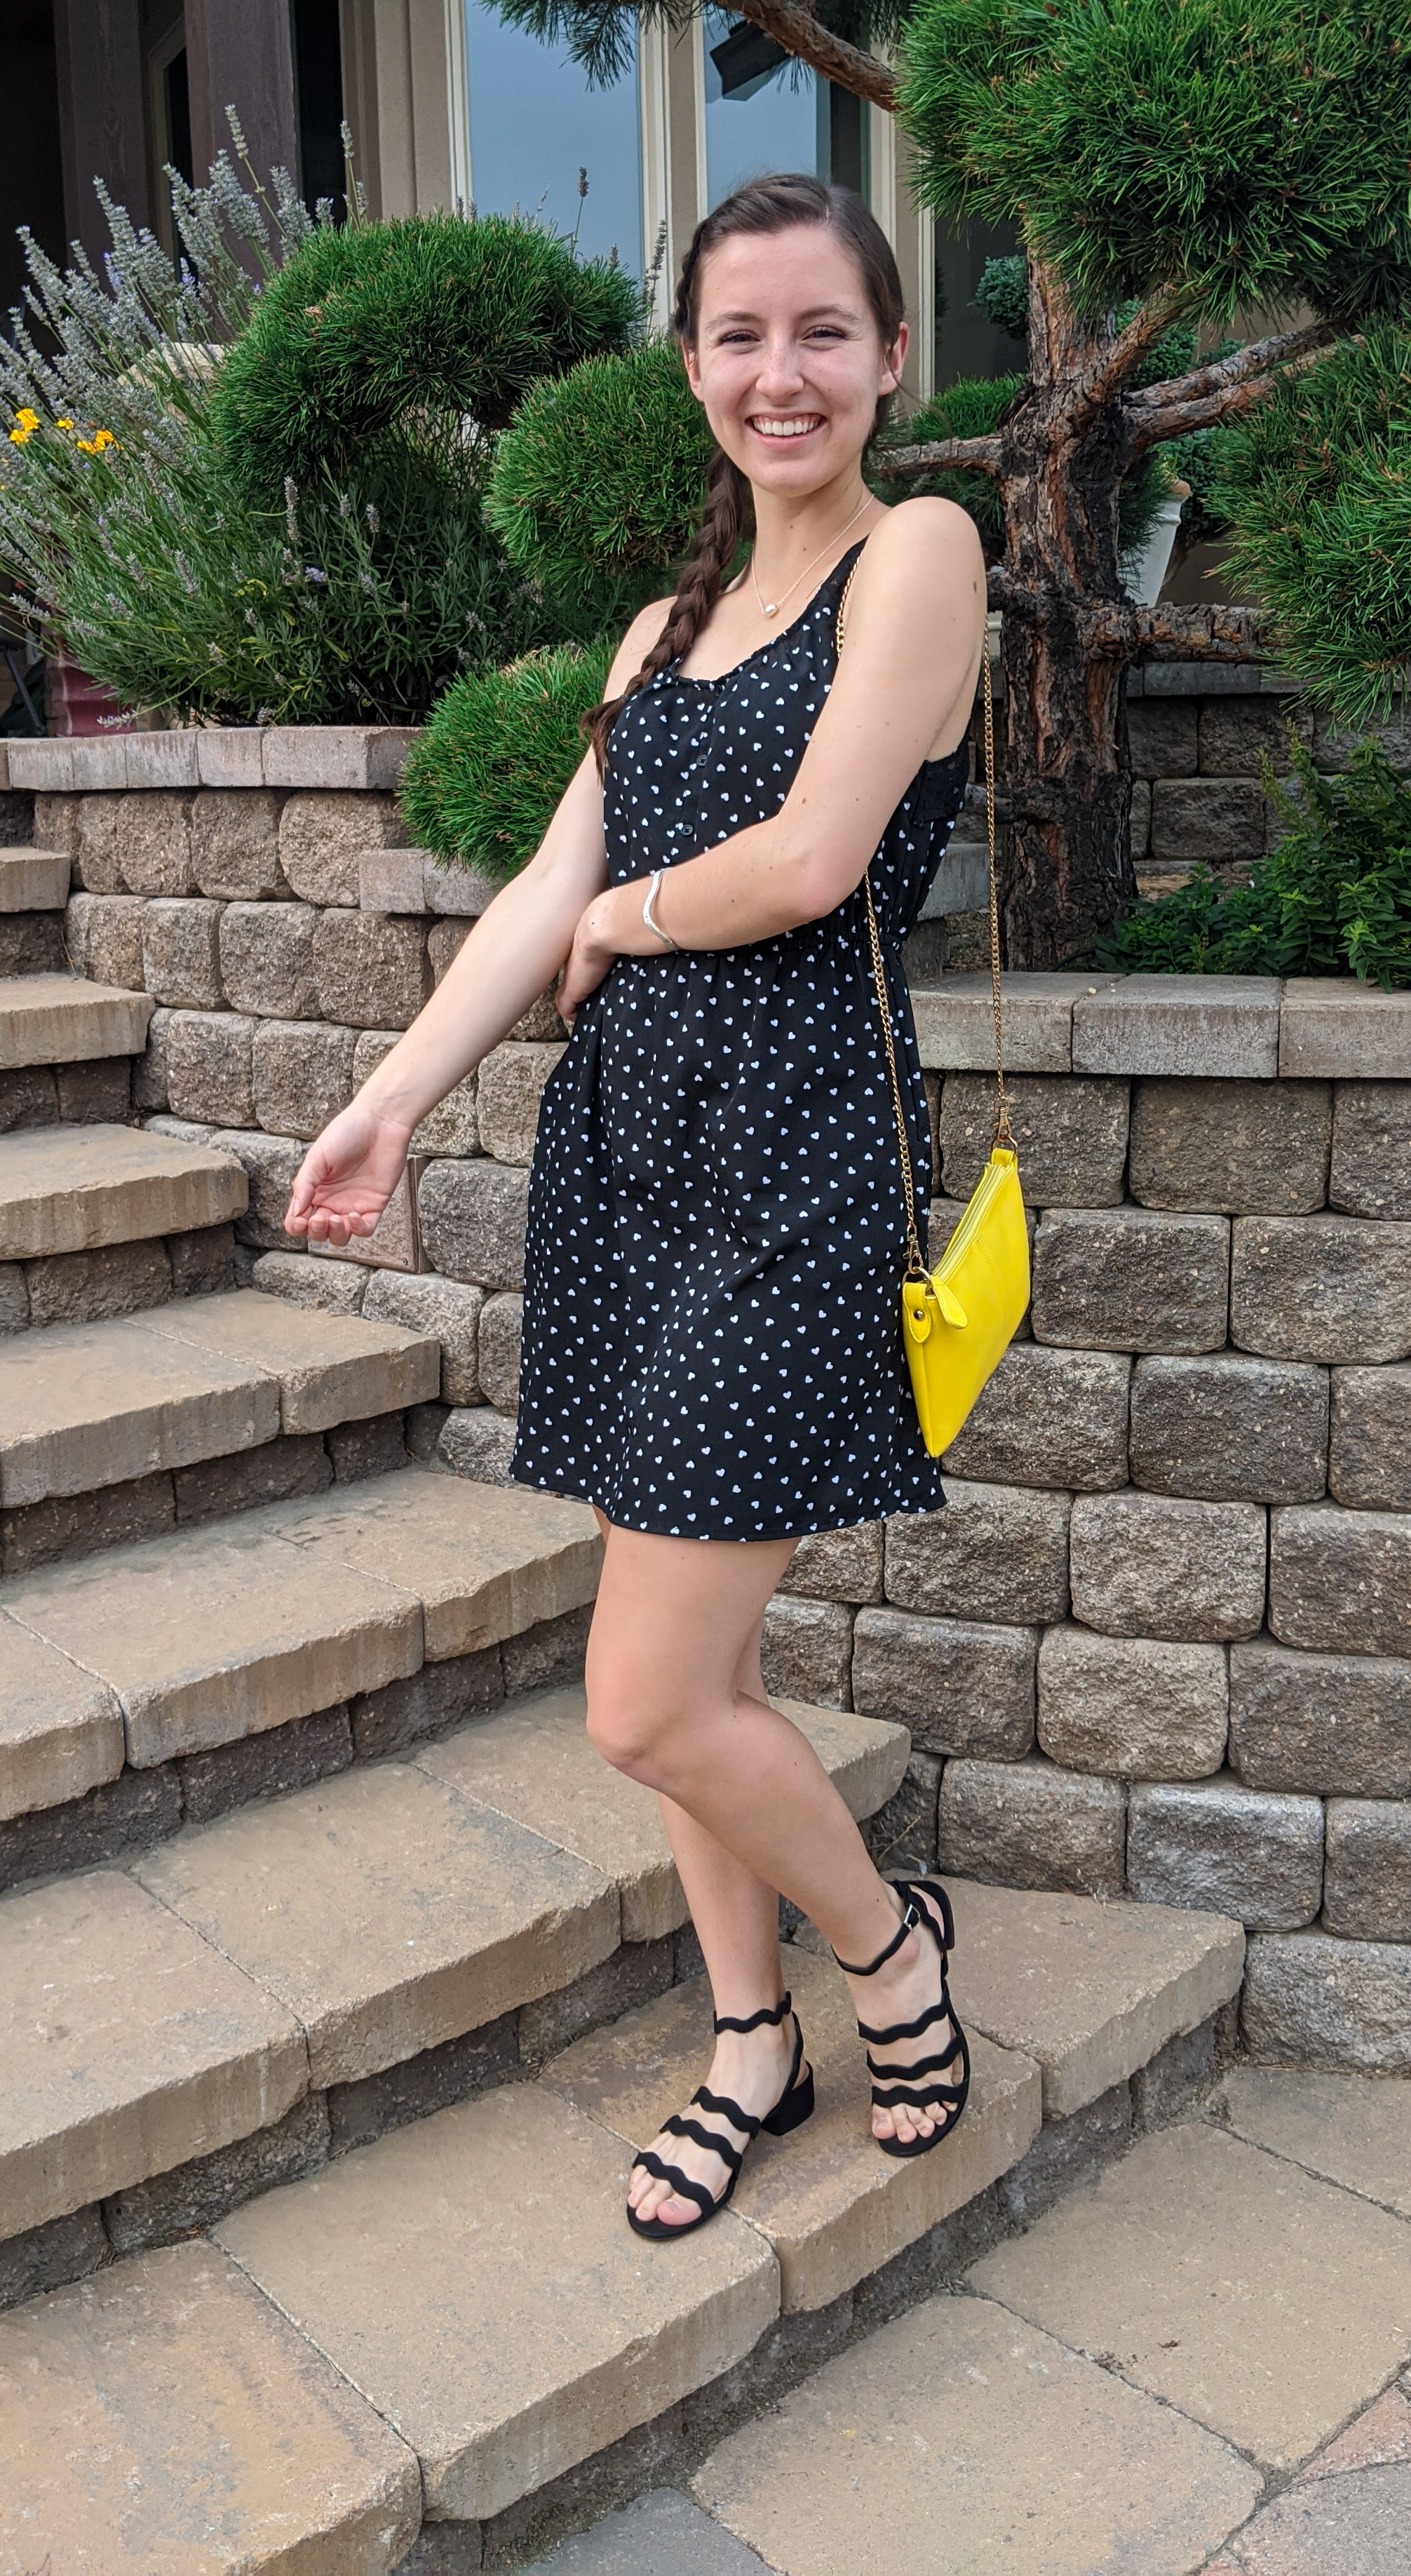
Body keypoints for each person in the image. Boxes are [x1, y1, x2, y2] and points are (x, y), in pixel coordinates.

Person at [285, 172, 987, 2239]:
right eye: (739, 337)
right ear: (692, 366)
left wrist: (622, 910)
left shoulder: (917, 554)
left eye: (822, 333)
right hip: (630, 1162)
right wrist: (392, 1102)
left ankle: (888, 1951)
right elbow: (535, 894)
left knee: (645, 1700)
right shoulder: (663, 631)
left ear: (888, 358)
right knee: (692, 1672)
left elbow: (811, 861)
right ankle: (748, 2034)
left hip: (797, 1164)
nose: (782, 374)